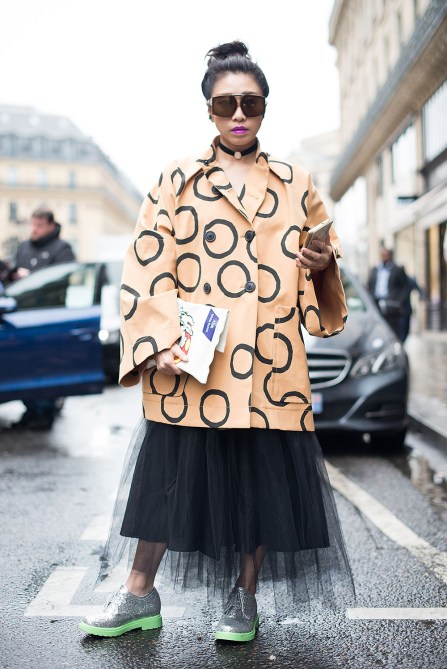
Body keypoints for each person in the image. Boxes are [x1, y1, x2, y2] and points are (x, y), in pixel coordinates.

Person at [79, 41, 354, 643]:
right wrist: (158, 340)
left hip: (270, 364)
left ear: (265, 107)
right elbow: (147, 262)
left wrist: (322, 263)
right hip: (194, 361)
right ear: (208, 109)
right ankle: (137, 594)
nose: (239, 114)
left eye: (251, 103)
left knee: (258, 483)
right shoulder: (176, 179)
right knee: (168, 479)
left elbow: (324, 264)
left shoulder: (296, 182)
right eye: (226, 103)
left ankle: (242, 598)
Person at [11, 207, 76, 430]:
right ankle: (31, 410)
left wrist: (31, 277)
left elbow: (63, 279)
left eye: (39, 225)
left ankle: (45, 413)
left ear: (50, 225)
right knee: (24, 366)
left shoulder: (63, 248)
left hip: (49, 317)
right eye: (33, 224)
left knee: (45, 367)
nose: (34, 229)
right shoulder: (24, 247)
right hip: (22, 316)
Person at [367, 247, 409, 340]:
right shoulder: (375, 269)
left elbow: (405, 287)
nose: (385, 257)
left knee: (392, 329)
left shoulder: (397, 269)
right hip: (377, 302)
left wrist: (399, 300)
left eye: (387, 255)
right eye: (383, 255)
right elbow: (370, 285)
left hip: (391, 304)